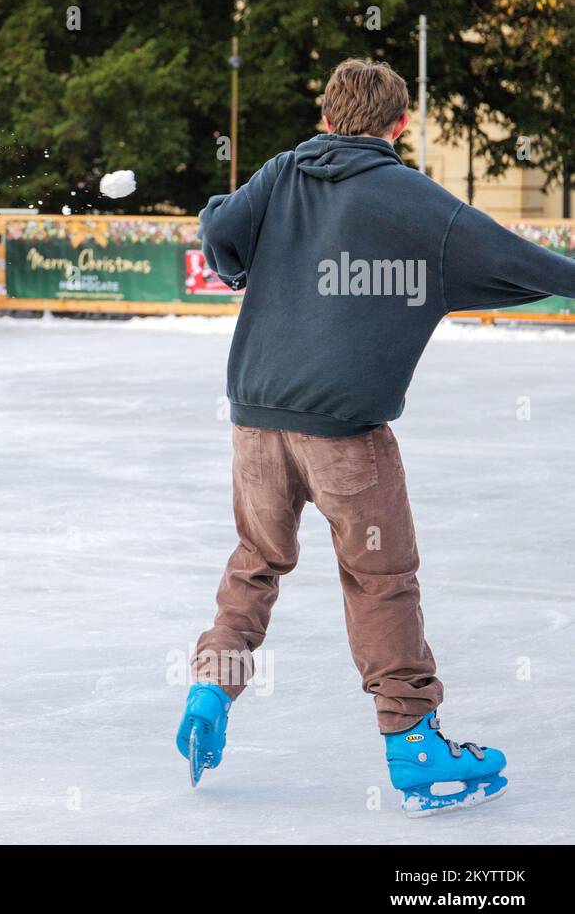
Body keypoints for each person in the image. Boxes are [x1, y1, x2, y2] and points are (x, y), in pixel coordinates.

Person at [177, 58, 575, 815]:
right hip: (344, 437)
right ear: (400, 127)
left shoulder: (280, 172)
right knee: (380, 578)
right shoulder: (413, 198)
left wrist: (237, 250)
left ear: (326, 117)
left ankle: (209, 688)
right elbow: (516, 261)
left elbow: (220, 227)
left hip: (256, 423)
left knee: (256, 558)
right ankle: (416, 743)